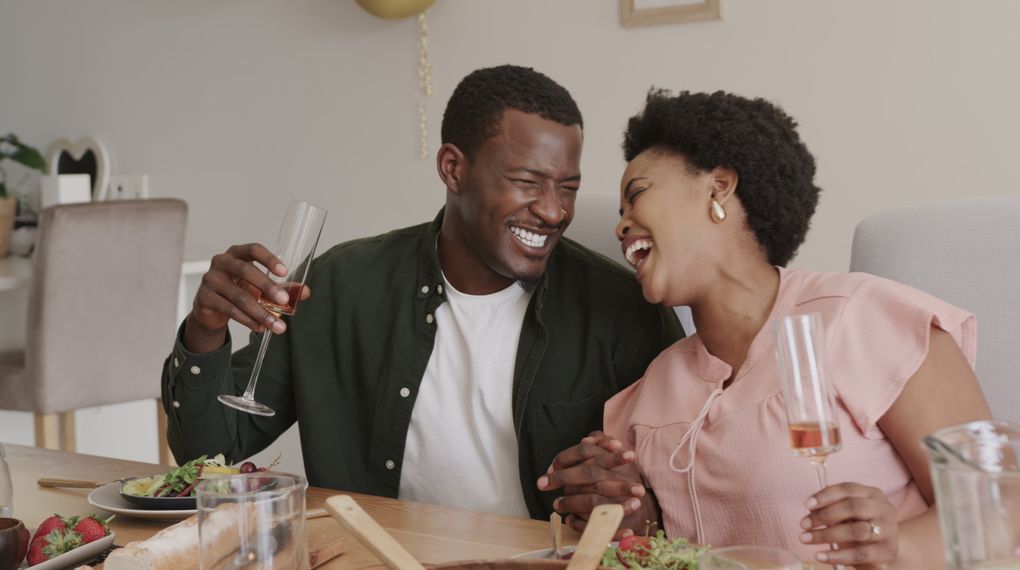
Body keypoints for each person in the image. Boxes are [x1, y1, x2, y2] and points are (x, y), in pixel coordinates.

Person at [162, 65, 684, 520]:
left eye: (567, 187)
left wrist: (632, 502)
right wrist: (205, 330)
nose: (554, 211)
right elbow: (210, 451)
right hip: (375, 557)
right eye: (528, 181)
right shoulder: (339, 286)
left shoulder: (623, 310)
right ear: (453, 168)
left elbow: (676, 502)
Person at [537, 89, 992, 568]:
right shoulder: (651, 391)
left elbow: (1006, 509)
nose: (621, 227)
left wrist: (896, 543)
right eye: (620, 214)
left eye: (638, 195)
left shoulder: (865, 320)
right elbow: (665, 551)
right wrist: (630, 518)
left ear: (719, 187)